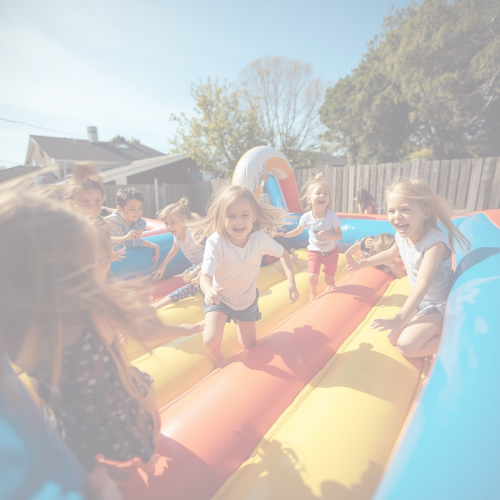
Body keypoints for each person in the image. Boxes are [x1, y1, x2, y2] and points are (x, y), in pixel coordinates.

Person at [0, 179, 202, 482]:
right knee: (145, 397)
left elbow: (37, 379)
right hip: (114, 405)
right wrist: (183, 329)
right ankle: (148, 459)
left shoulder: (21, 320)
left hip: (70, 417)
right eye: (99, 259)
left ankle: (100, 473)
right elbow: (145, 330)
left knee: (88, 461)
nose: (107, 263)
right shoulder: (94, 304)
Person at [345, 178, 470, 358]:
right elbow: (390, 254)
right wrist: (361, 264)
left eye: (404, 210)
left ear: (425, 213)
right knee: (393, 338)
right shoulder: (402, 234)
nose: (397, 216)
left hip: (439, 304)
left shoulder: (434, 243)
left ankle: (460, 341)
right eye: (391, 211)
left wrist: (399, 318)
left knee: (407, 347)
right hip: (420, 302)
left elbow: (422, 285)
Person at [189, 185, 299, 367]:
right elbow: (205, 276)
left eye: (244, 215)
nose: (238, 222)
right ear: (221, 218)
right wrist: (208, 291)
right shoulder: (216, 241)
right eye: (231, 216)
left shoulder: (259, 239)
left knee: (249, 344)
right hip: (220, 298)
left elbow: (284, 254)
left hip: (246, 300)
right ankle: (217, 355)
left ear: (254, 217)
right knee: (211, 340)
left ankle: (240, 328)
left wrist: (291, 282)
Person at [281, 173, 342, 301]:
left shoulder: (332, 217)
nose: (322, 196)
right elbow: (298, 230)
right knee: (312, 277)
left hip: (331, 252)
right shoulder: (306, 217)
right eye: (318, 193)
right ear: (309, 199)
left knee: (329, 278)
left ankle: (331, 284)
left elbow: (339, 236)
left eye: (325, 194)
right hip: (315, 252)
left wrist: (328, 235)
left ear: (329, 199)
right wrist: (286, 235)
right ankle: (313, 291)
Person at [65, 163, 126, 264]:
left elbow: (106, 244)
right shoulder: (70, 229)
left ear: (103, 199)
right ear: (71, 203)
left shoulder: (102, 224)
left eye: (97, 201)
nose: (93, 206)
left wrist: (109, 256)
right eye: (86, 201)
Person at [151, 198, 205, 308]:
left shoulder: (193, 234)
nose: (169, 227)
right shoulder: (177, 237)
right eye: (166, 223)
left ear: (185, 220)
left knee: (191, 285)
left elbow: (215, 252)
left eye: (173, 222)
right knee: (186, 275)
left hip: (209, 265)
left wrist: (200, 271)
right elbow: (173, 251)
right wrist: (162, 267)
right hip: (198, 265)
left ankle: (157, 305)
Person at [106, 187, 160, 263]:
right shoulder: (109, 223)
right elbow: (100, 241)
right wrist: (124, 238)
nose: (137, 212)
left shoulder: (140, 223)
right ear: (120, 209)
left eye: (140, 208)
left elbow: (133, 242)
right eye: (132, 209)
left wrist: (155, 246)